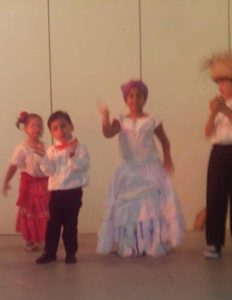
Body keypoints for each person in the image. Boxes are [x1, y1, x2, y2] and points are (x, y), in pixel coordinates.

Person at [96, 79, 184, 257]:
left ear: (145, 99)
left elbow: (164, 141)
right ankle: (129, 242)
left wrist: (167, 157)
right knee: (127, 204)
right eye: (131, 96)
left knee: (152, 203)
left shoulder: (152, 119)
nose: (135, 99)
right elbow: (107, 133)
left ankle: (152, 240)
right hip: (129, 168)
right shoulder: (120, 120)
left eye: (139, 96)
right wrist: (105, 114)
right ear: (126, 99)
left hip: (150, 168)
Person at [35, 111, 90, 264]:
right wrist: (42, 157)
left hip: (73, 192)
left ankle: (71, 253)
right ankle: (50, 252)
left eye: (64, 126)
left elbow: (85, 166)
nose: (60, 131)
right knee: (53, 223)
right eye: (55, 128)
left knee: (70, 223)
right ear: (52, 133)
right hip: (56, 193)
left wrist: (73, 158)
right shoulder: (51, 151)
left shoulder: (80, 148)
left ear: (71, 126)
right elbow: (49, 171)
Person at [2, 111, 50, 251]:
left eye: (40, 126)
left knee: (44, 212)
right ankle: (30, 239)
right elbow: (13, 165)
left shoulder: (47, 146)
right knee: (30, 212)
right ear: (25, 128)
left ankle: (42, 238)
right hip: (29, 186)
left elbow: (54, 164)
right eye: (33, 125)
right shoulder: (22, 148)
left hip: (45, 185)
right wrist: (6, 181)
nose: (37, 128)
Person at [203, 51, 232, 259]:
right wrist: (214, 111)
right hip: (219, 152)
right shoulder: (218, 105)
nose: (220, 87)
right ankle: (214, 243)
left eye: (224, 82)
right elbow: (207, 133)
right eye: (219, 83)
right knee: (215, 196)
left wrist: (224, 110)